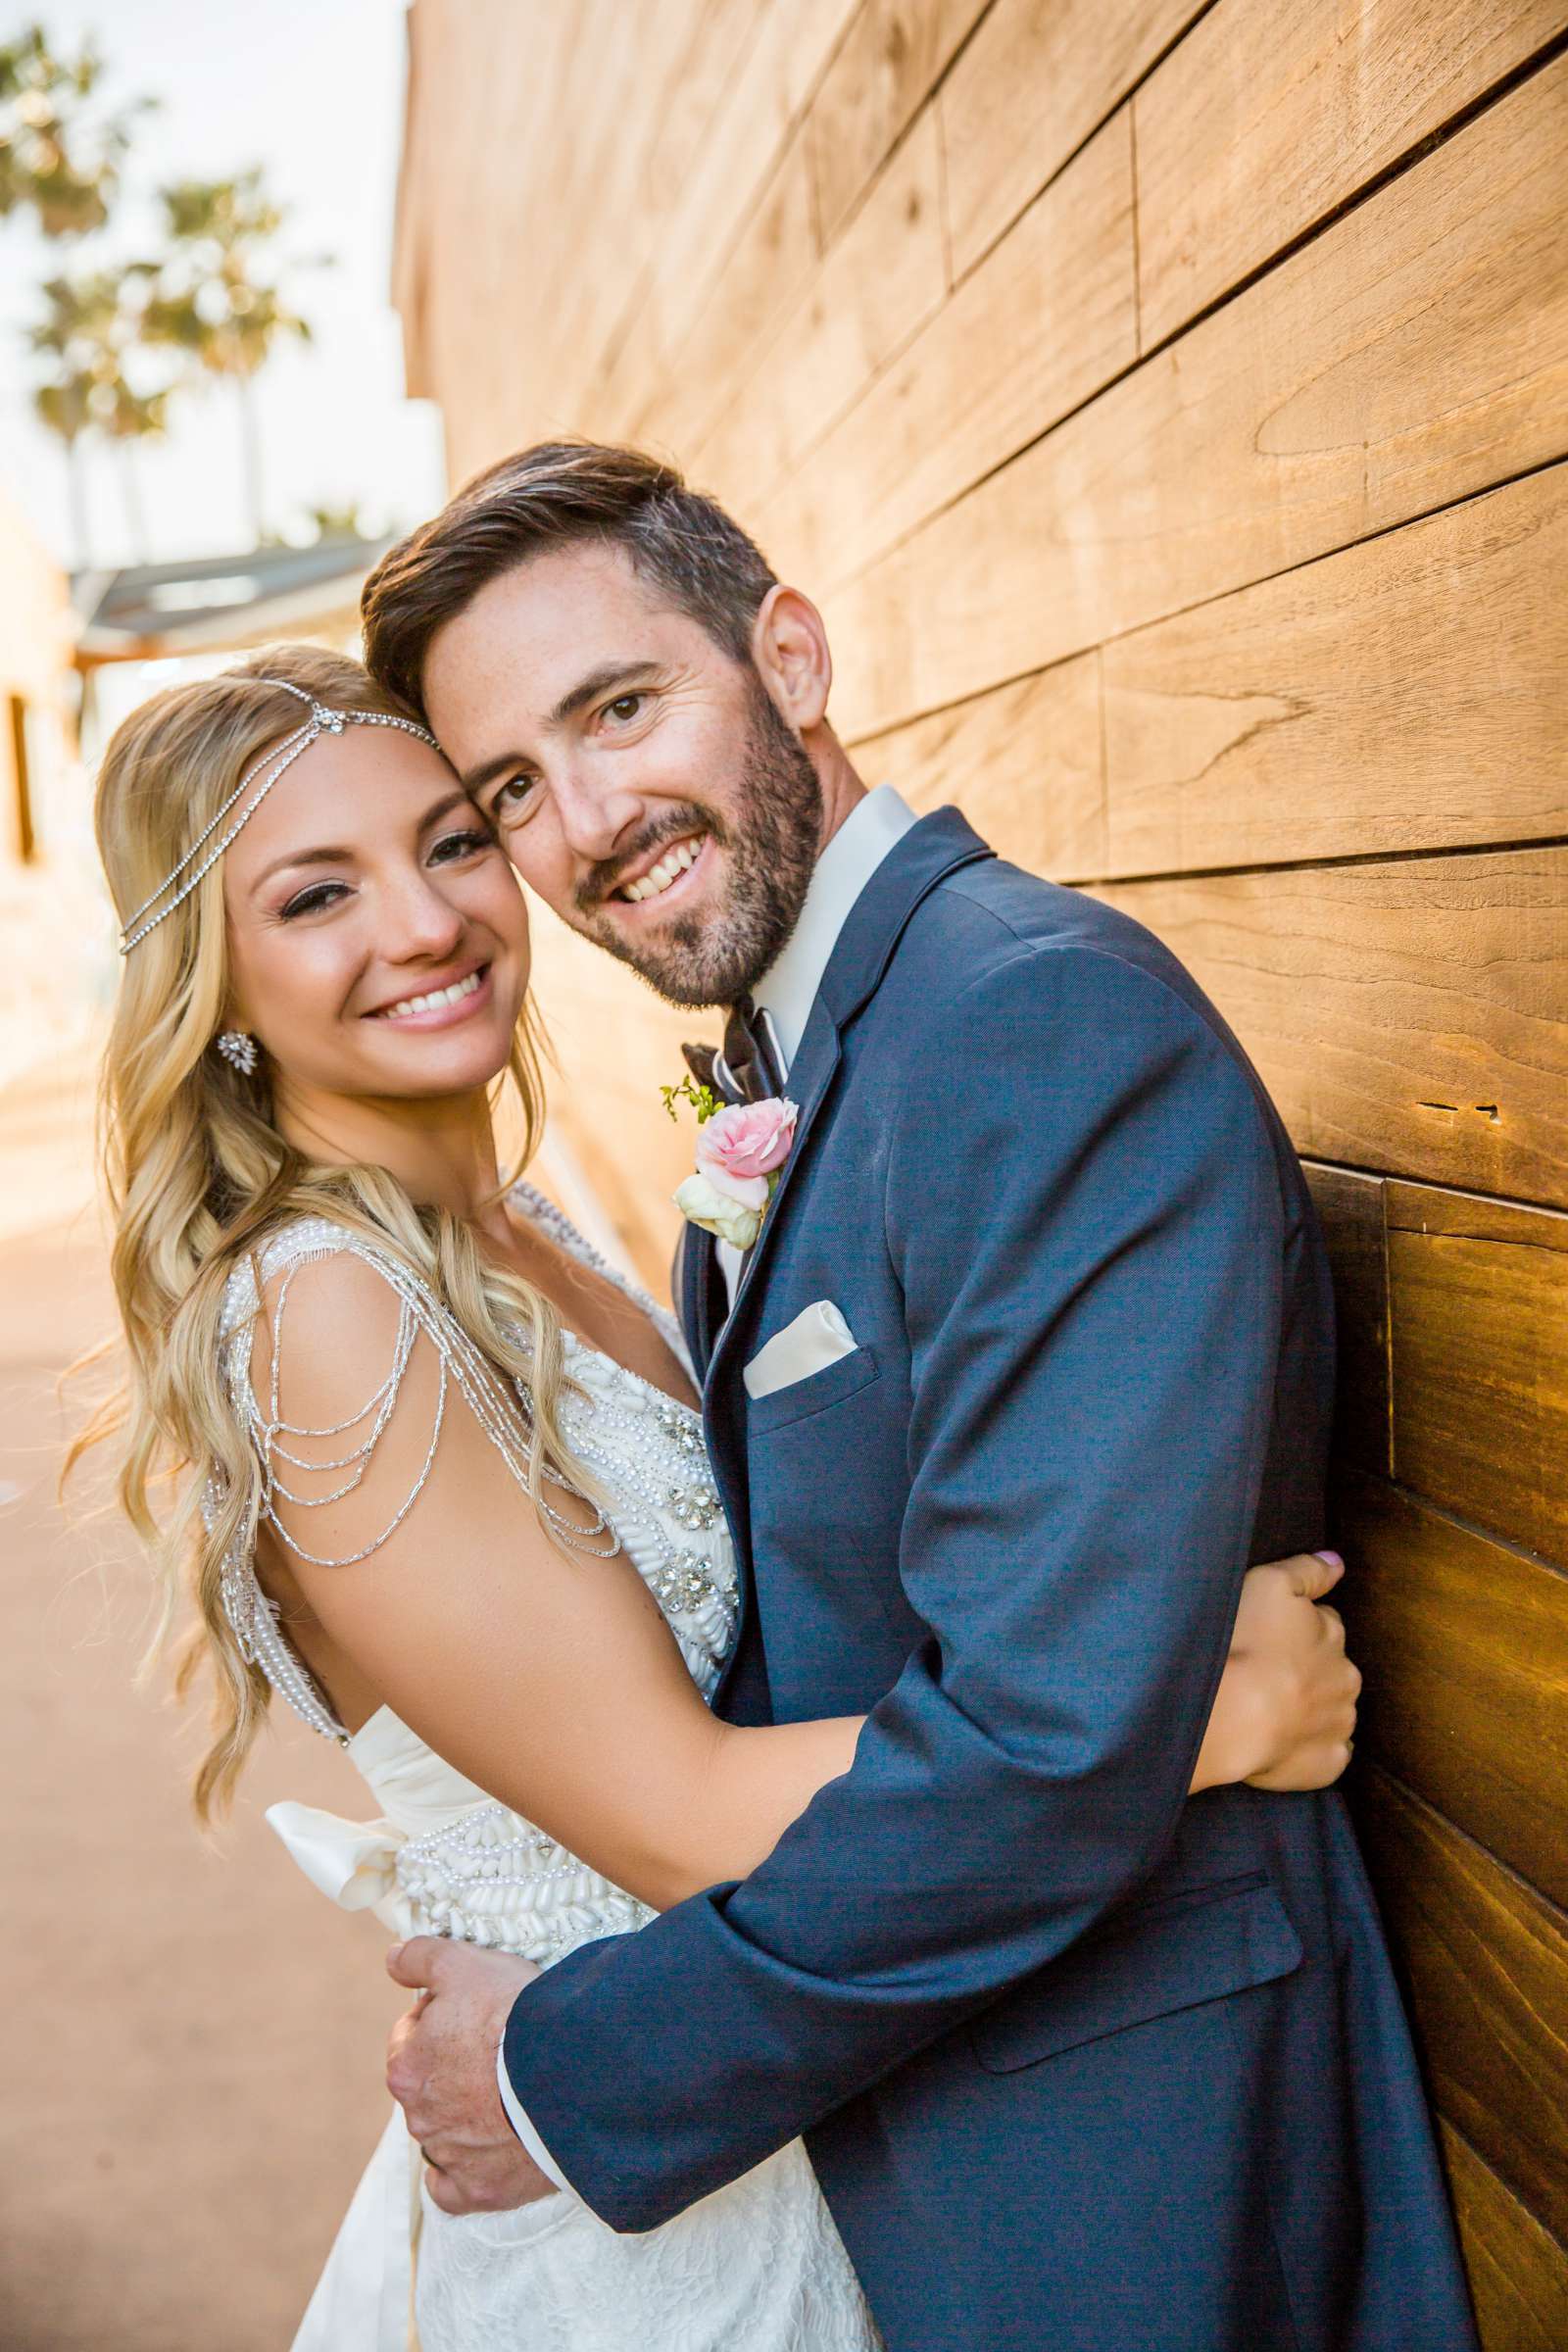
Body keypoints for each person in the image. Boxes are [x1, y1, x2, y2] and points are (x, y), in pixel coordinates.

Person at [90, 644, 1360, 2352]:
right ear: (213, 979)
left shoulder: (526, 1228)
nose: (425, 923)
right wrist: (1186, 1707)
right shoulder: (329, 1311)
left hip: (810, 2089)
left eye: (456, 841)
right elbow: (680, 1811)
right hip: (656, 2216)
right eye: (318, 894)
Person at [360, 443, 1480, 2352]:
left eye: (621, 708)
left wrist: (577, 2069)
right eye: (514, 792)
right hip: (903, 2117)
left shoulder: (1032, 1019)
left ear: (787, 656)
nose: (591, 821)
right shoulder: (798, 1051)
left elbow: (1042, 1747)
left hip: (1116, 2152)